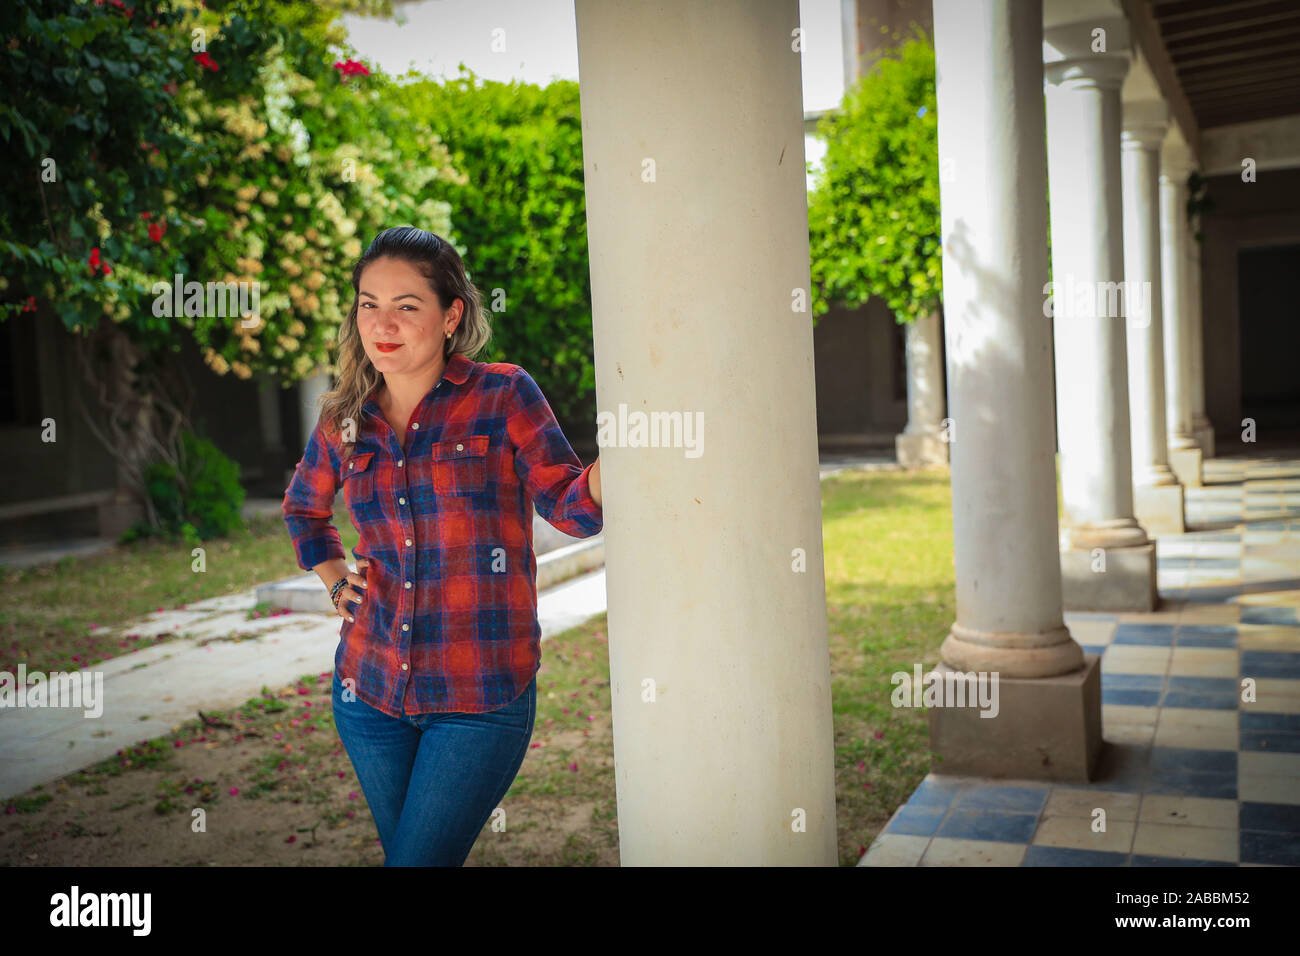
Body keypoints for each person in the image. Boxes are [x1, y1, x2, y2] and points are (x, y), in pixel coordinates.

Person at [282, 225, 603, 865]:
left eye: (407, 305)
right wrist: (335, 576)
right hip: (368, 692)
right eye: (369, 303)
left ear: (451, 315)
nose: (383, 323)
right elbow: (304, 508)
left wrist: (616, 463)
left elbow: (571, 509)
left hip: (480, 696)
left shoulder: (503, 395)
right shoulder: (344, 417)